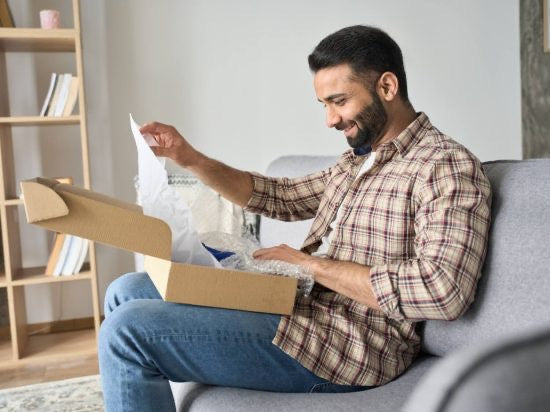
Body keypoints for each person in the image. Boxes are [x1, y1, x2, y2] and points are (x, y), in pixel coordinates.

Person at [99, 25, 492, 411]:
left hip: (351, 345)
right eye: (324, 105)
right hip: (300, 309)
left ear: (387, 88)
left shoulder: (445, 167)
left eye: (339, 101)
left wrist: (310, 266)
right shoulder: (356, 162)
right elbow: (280, 197)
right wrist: (190, 158)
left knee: (126, 331)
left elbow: (443, 291)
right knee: (127, 290)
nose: (330, 120)